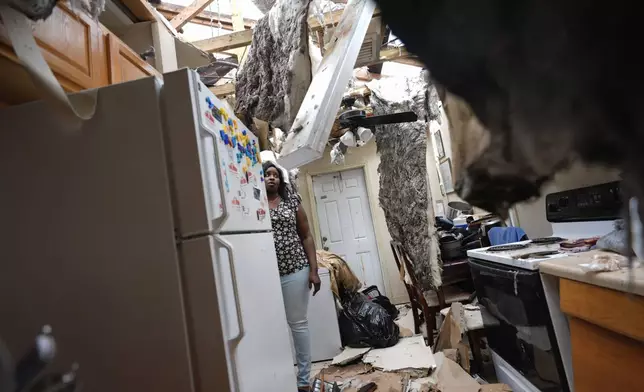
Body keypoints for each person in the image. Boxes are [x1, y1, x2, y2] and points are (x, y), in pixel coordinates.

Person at [263, 161, 321, 392]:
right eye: (266, 175)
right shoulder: (252, 202)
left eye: (275, 175)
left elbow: (306, 235)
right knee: (270, 327)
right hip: (263, 275)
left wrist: (314, 271)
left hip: (295, 270)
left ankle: (304, 380)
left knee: (297, 324)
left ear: (281, 179)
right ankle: (277, 377)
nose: (271, 178)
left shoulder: (292, 201)